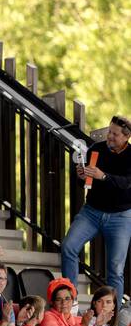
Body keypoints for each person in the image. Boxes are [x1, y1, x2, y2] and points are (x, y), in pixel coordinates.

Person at [62, 115, 131, 299]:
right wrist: (81, 175)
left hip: (121, 217)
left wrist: (104, 176)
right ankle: (70, 302)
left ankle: (112, 320)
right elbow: (84, 182)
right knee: (68, 247)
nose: (109, 136)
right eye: (109, 131)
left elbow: (127, 183)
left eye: (115, 134)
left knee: (115, 270)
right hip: (91, 212)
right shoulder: (96, 149)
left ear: (126, 136)